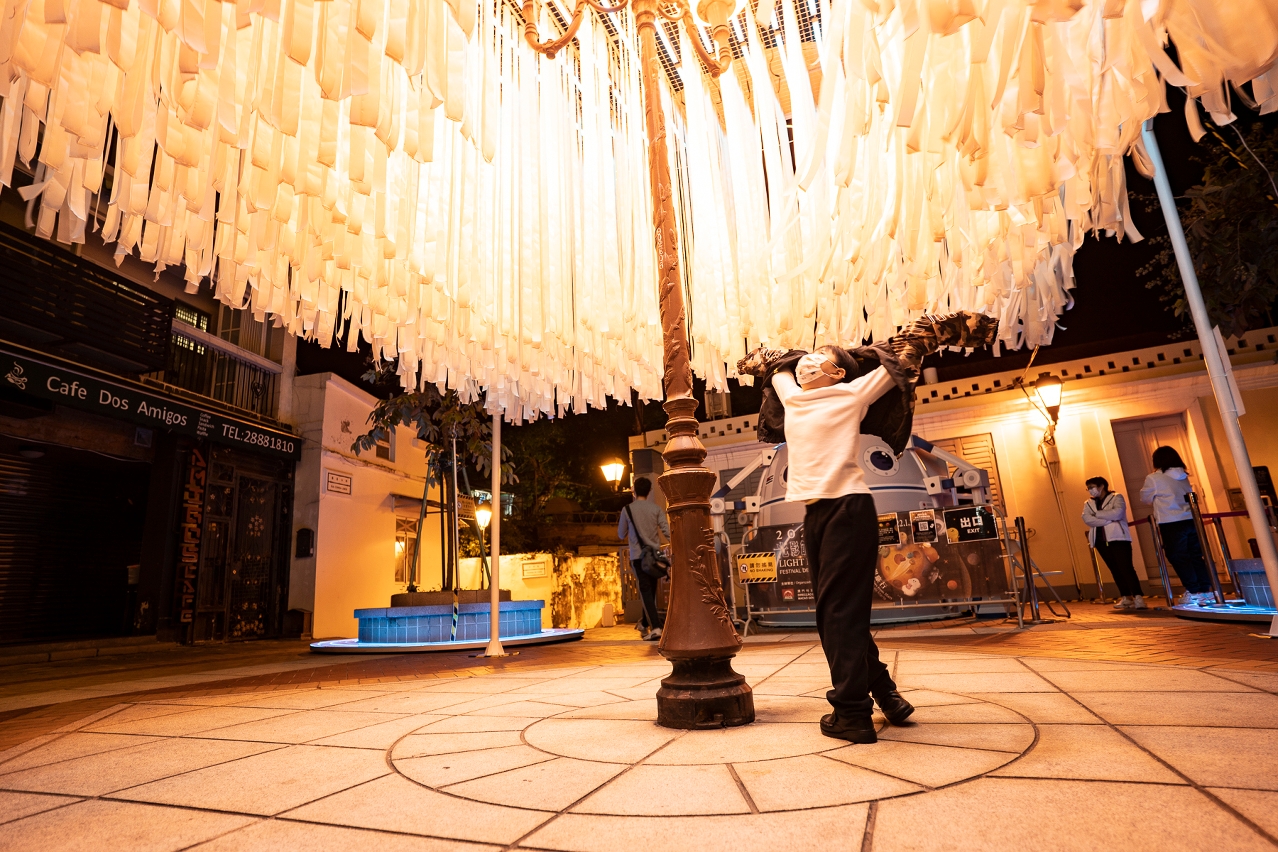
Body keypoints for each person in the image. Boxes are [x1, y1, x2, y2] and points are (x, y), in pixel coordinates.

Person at [738, 312, 998, 745]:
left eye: (820, 358)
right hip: (815, 514)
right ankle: (885, 694)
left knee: (840, 614)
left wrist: (934, 333)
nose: (808, 362)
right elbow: (776, 365)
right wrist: (761, 359)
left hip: (849, 509)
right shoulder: (793, 397)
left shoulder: (852, 393)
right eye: (807, 359)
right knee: (834, 615)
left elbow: (900, 363)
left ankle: (852, 713)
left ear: (839, 373)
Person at [1139, 447, 1215, 606]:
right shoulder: (1183, 476)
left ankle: (1193, 591)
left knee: (1178, 557)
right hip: (1191, 519)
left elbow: (1145, 498)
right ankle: (1206, 590)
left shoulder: (1154, 478)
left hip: (1171, 521)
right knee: (1196, 556)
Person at [1081, 476, 1146, 610]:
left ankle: (1138, 596)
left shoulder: (1116, 497)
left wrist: (1097, 514)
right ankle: (1126, 597)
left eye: (1092, 487)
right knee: (1115, 569)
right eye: (1088, 488)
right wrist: (1107, 519)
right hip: (1100, 540)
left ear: (1101, 486)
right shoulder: (1088, 503)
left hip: (1118, 538)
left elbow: (1117, 513)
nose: (1090, 490)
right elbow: (1087, 519)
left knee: (1126, 568)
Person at [617, 476, 670, 640]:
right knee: (650, 591)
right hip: (655, 557)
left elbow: (621, 534)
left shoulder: (627, 510)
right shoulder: (656, 509)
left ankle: (656, 628)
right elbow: (667, 531)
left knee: (645, 590)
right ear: (649, 491)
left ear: (634, 490)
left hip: (638, 557)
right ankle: (644, 623)